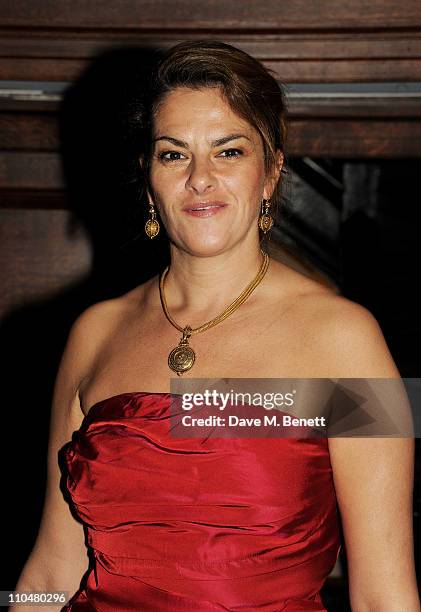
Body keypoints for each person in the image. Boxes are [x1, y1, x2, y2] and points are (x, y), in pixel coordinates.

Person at [12, 40, 419, 612]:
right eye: (174, 154)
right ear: (148, 176)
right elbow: (52, 569)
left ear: (271, 171)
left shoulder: (347, 337)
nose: (200, 178)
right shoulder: (94, 333)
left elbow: (384, 594)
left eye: (228, 151)